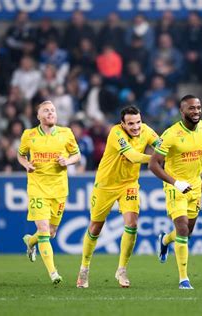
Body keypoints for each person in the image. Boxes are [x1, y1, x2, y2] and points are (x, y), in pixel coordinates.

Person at [76, 105, 160, 289]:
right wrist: (155, 159)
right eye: (131, 124)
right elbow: (132, 156)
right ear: (122, 124)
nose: (136, 127)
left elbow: (161, 146)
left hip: (129, 184)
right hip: (106, 185)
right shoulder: (115, 133)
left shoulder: (146, 130)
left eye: (138, 122)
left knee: (132, 224)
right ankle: (84, 268)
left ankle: (121, 269)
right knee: (96, 227)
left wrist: (174, 152)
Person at [149, 95, 202, 290]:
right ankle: (184, 279)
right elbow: (153, 164)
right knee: (183, 229)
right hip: (175, 187)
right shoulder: (170, 134)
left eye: (199, 108)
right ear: (182, 112)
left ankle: (165, 239)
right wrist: (175, 183)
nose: (196, 112)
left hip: (195, 186)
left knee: (187, 232)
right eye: (192, 109)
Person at [17, 100, 80, 285]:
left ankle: (30, 242)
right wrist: (26, 164)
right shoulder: (29, 135)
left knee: (51, 233)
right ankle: (53, 273)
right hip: (37, 188)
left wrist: (67, 161)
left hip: (59, 190)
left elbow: (77, 155)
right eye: (46, 110)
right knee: (44, 231)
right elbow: (20, 154)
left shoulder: (66, 133)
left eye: (53, 110)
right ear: (38, 116)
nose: (50, 113)